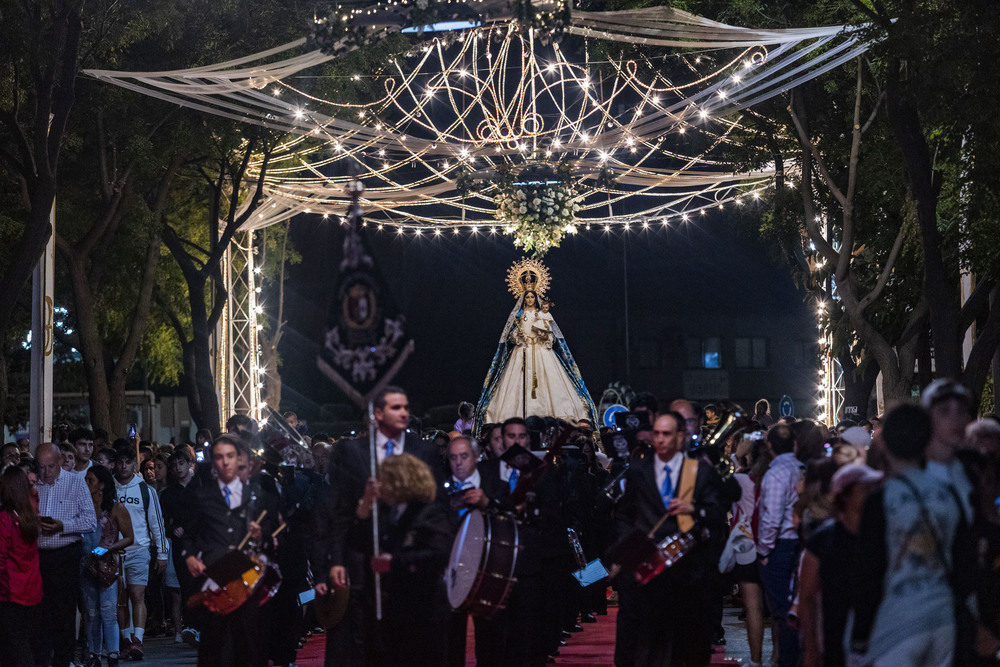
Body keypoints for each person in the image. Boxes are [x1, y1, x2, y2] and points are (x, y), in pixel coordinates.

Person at [312, 386, 442, 667]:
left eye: (406, 407)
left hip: (411, 566)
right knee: (363, 642)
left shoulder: (425, 451)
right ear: (378, 414)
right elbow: (338, 513)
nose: (404, 413)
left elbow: (437, 510)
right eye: (396, 408)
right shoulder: (352, 452)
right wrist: (334, 562)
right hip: (362, 566)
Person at [852, 403, 970, 666]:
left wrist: (860, 632)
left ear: (886, 444)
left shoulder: (880, 500)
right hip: (943, 619)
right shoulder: (949, 494)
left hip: (897, 619)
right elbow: (964, 560)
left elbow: (869, 569)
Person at [613, 411, 727, 666]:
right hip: (647, 569)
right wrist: (629, 546)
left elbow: (718, 513)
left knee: (686, 642)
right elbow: (624, 515)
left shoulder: (697, 472)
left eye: (667, 434)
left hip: (687, 570)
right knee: (649, 642)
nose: (661, 440)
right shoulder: (638, 470)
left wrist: (695, 510)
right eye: (657, 434)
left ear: (679, 437)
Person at [177, 433, 279, 667]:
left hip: (248, 576)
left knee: (249, 642)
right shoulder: (201, 496)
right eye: (219, 457)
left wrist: (262, 534)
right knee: (215, 643)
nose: (225, 462)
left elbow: (272, 531)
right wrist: (191, 557)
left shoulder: (256, 494)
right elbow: (188, 536)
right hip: (215, 576)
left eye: (230, 456)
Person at [475, 261, 597, 428]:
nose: (530, 299)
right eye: (528, 297)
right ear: (523, 298)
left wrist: (543, 334)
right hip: (522, 351)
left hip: (541, 351)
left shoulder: (543, 314)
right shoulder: (518, 315)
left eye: (532, 296)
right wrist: (516, 336)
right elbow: (510, 336)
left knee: (548, 386)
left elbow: (552, 337)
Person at [358, 453, 453, 666]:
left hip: (423, 609)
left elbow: (438, 555)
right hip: (394, 607)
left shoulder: (429, 512)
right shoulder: (388, 513)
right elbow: (359, 542)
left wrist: (394, 562)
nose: (380, 485)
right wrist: (365, 505)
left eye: (385, 479)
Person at [798, 463, 882, 667]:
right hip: (835, 642)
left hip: (877, 641)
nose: (873, 494)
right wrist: (811, 648)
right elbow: (807, 597)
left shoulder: (882, 538)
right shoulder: (823, 540)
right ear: (845, 495)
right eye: (866, 489)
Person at [442, 436, 508, 667]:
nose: (458, 463)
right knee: (451, 641)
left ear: (477, 456)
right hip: (452, 575)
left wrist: (487, 503)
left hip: (488, 573)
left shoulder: (495, 485)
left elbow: (510, 523)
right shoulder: (440, 491)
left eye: (464, 456)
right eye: (453, 457)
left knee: (491, 641)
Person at [34, 442, 98, 667]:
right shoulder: (34, 484)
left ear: (60, 462)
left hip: (65, 554)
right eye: (41, 467)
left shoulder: (75, 484)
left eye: (50, 466)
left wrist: (63, 525)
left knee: (64, 611)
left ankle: (64, 660)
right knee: (40, 612)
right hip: (39, 555)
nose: (46, 472)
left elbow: (90, 521)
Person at [113, 443, 169, 659]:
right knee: (120, 598)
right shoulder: (110, 488)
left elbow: (157, 522)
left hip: (139, 549)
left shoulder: (145, 490)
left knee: (137, 594)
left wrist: (162, 553)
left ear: (135, 464)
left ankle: (138, 639)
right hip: (115, 553)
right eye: (120, 462)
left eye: (128, 462)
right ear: (116, 464)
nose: (124, 466)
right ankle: (124, 639)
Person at [756, 424, 801, 667]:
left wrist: (764, 551)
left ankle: (787, 659)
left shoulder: (775, 474)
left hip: (780, 545)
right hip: (797, 542)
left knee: (782, 611)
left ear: (769, 447)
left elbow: (772, 517)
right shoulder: (801, 467)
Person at [81, 465, 135, 667]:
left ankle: (112, 653)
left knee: (108, 611)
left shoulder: (116, 509)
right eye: (86, 479)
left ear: (102, 485)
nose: (86, 484)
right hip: (86, 564)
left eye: (91, 480)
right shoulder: (83, 506)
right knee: (90, 611)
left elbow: (130, 537)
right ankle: (95, 654)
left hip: (106, 566)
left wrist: (107, 549)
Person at [0, 465, 43, 667]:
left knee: (15, 647)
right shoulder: (29, 516)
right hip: (31, 591)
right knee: (25, 644)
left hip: (10, 593)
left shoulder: (6, 518)